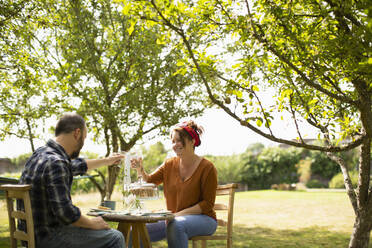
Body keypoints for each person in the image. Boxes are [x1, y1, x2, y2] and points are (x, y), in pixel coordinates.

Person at [18, 113, 125, 248]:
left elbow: (76, 166)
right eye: (84, 138)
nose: (83, 144)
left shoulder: (41, 155)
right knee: (115, 237)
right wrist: (92, 223)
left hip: (30, 236)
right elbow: (66, 213)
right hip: (49, 237)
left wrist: (107, 161)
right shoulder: (56, 162)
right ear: (77, 133)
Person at [131, 120, 218, 248]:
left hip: (204, 219)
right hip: (173, 219)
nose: (175, 144)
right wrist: (140, 169)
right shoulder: (169, 164)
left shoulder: (207, 168)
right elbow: (149, 181)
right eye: (173, 141)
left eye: (179, 140)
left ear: (192, 141)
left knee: (176, 224)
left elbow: (207, 204)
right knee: (136, 230)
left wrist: (175, 215)